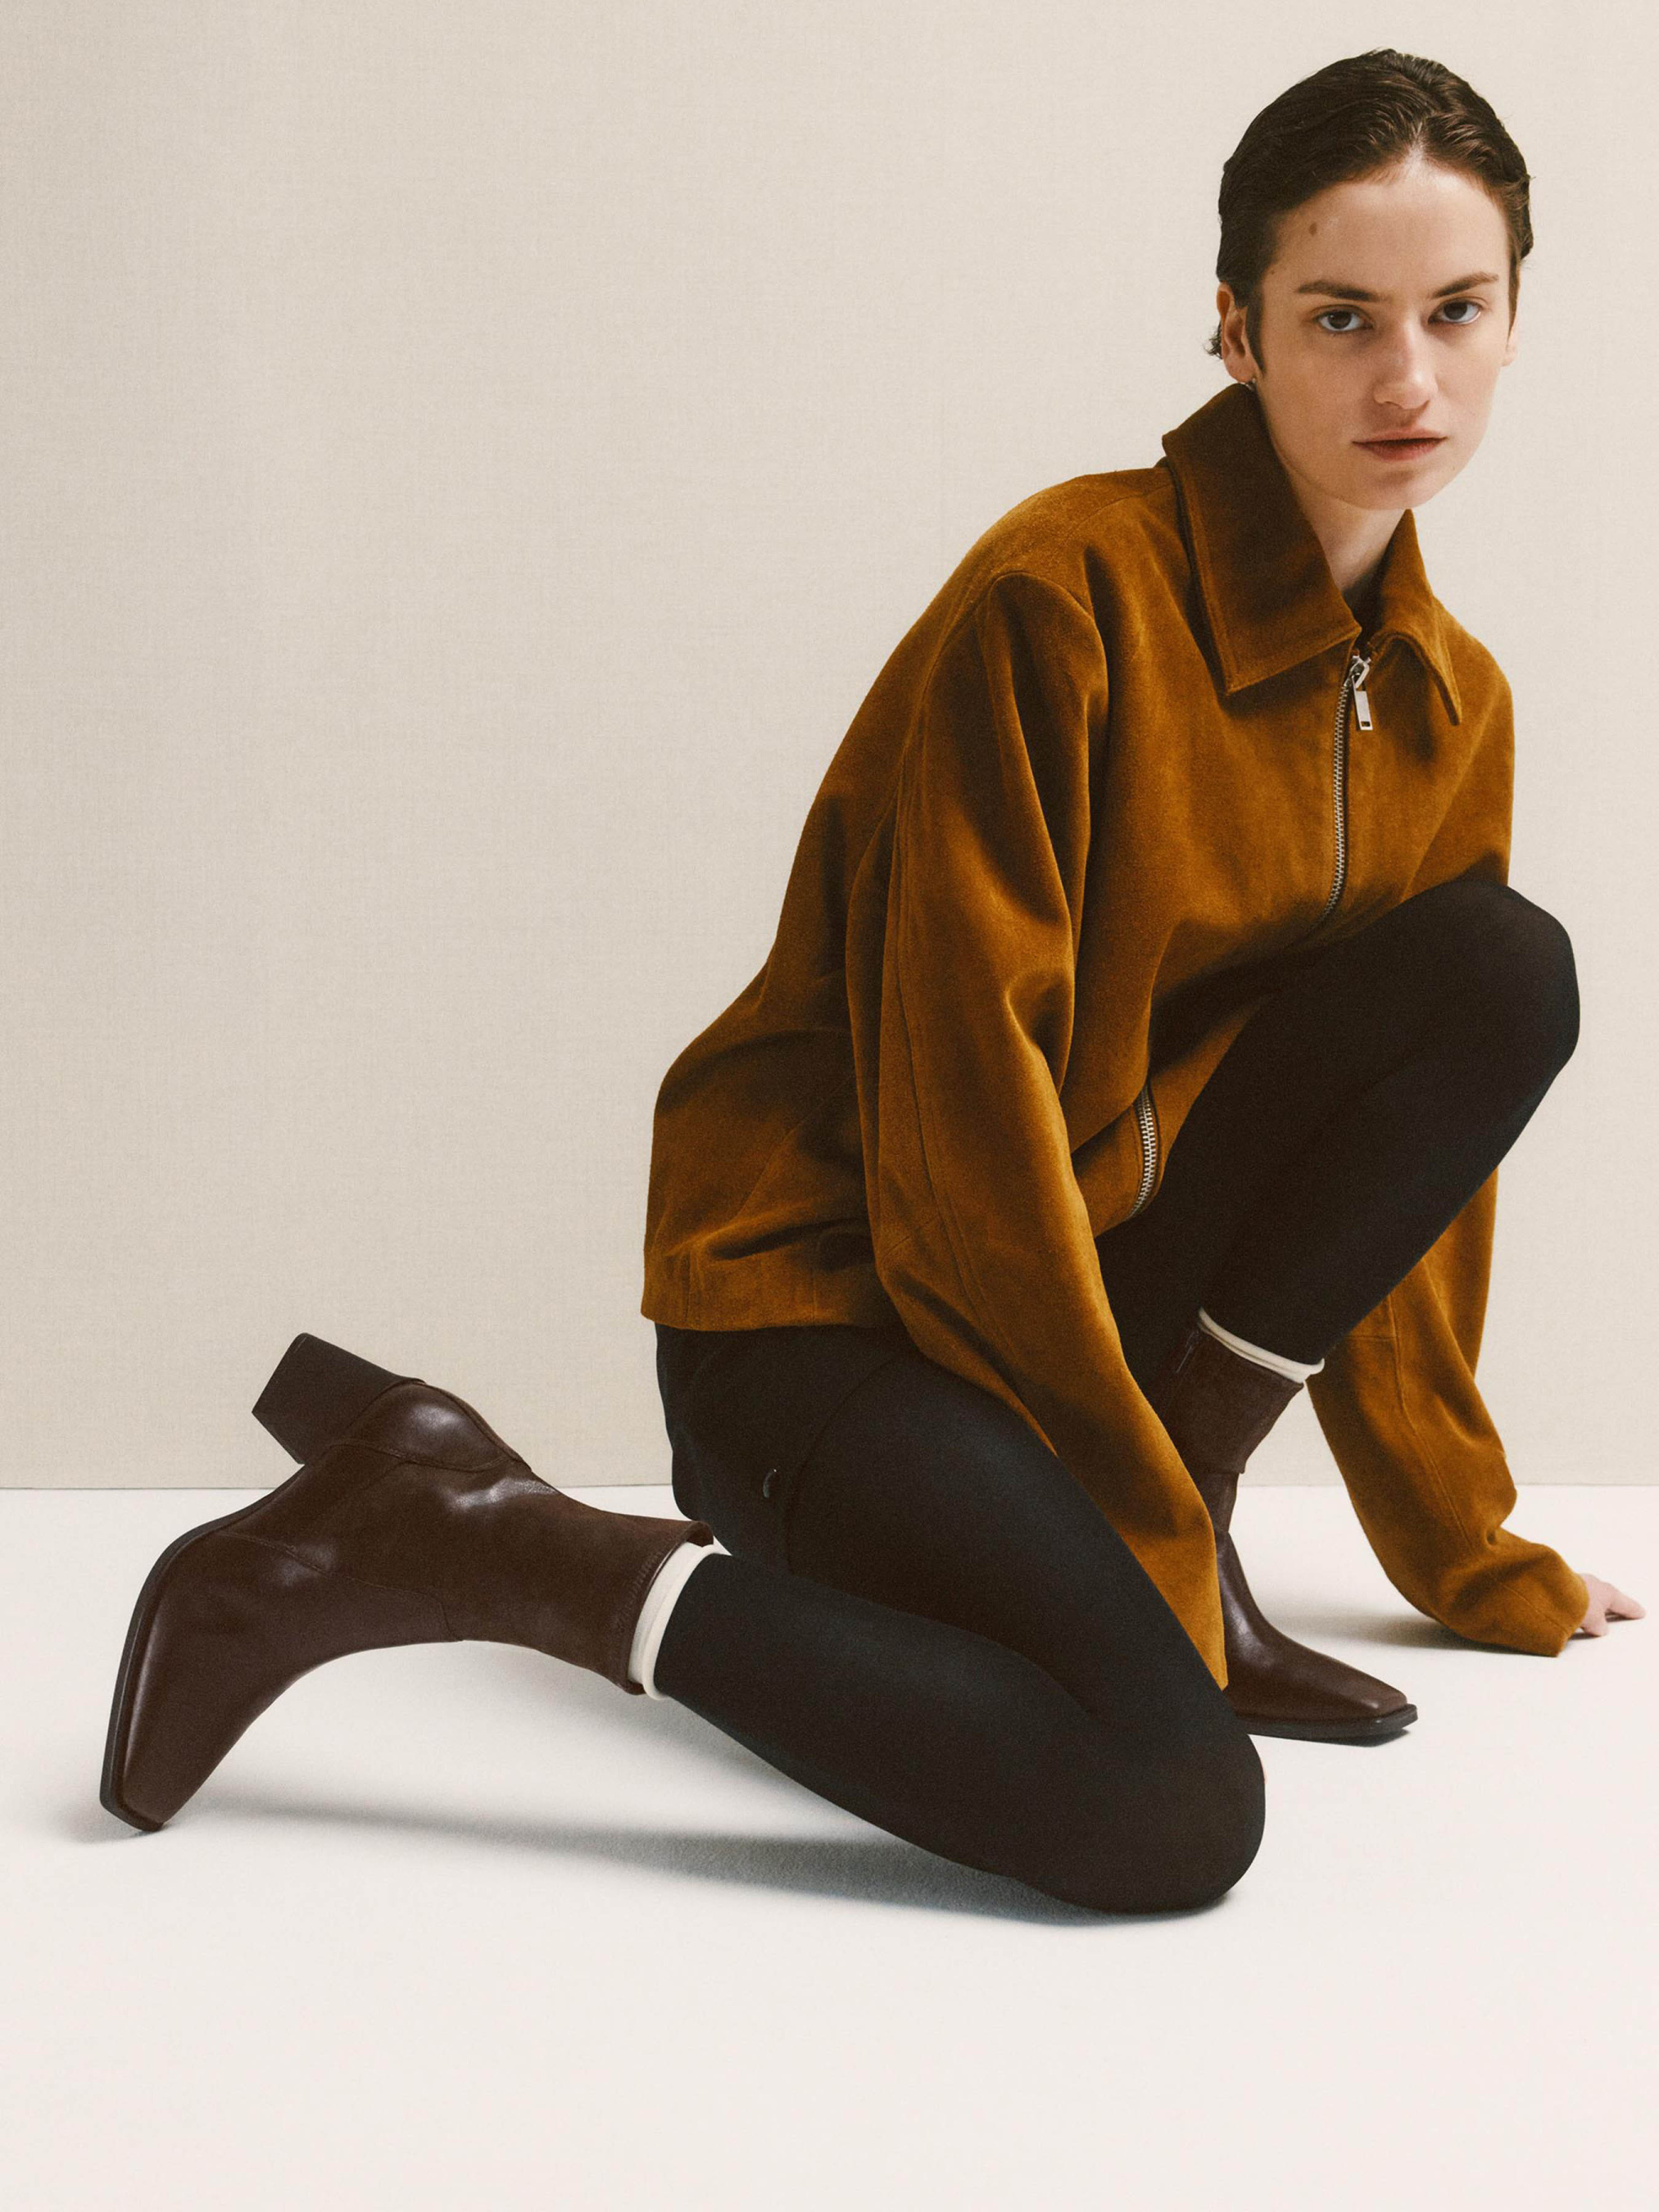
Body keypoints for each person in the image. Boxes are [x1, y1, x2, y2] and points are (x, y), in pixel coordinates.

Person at [102, 48, 1642, 1915]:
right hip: (833, 1320)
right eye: (1340, 318)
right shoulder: (1059, 597)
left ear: (1511, 320)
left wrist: (1460, 1547)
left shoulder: (1448, 698)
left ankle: (1164, 1521)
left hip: (1071, 1302)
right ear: (1235, 331)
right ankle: (483, 1538)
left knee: (1497, 972)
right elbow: (958, 1132)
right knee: (1168, 1807)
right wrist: (1138, 1542)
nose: (1405, 380)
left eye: (1453, 311)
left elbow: (1392, 1191)